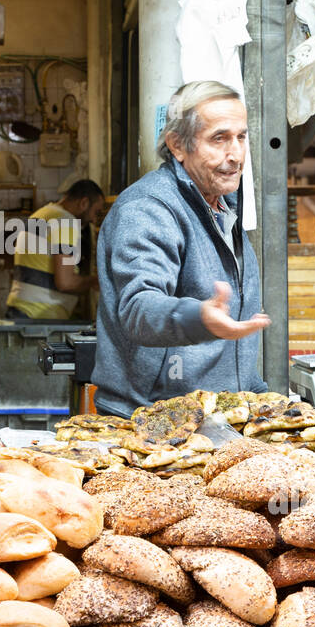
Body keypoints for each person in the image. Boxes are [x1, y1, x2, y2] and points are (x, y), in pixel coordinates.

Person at [92, 80, 271, 417]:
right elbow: (138, 309)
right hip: (153, 420)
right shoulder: (147, 208)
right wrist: (199, 317)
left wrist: (254, 392)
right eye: (219, 139)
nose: (235, 155)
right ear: (177, 144)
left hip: (222, 415)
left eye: (241, 137)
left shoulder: (224, 206)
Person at [5, 180, 105, 320]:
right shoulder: (66, 223)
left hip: (20, 311)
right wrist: (95, 281)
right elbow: (66, 283)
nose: (94, 220)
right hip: (39, 316)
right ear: (84, 203)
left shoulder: (42, 214)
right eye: (96, 212)